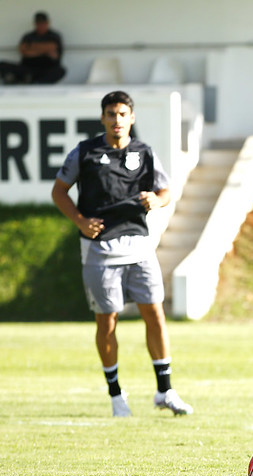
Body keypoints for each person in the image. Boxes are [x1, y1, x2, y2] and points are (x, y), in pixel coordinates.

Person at [52, 91, 193, 417]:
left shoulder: (144, 153)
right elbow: (59, 191)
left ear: (131, 118)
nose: (117, 120)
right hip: (100, 251)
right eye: (111, 114)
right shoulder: (85, 153)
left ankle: (165, 390)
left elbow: (166, 191)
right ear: (103, 118)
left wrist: (157, 201)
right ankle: (116, 396)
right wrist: (80, 221)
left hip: (140, 248)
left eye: (122, 114)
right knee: (107, 321)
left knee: (155, 315)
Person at [0, 11, 66, 85]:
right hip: (29, 68)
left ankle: (37, 83)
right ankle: (22, 80)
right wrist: (45, 51)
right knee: (1, 64)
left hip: (47, 69)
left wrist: (31, 47)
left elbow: (52, 47)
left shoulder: (54, 36)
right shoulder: (28, 36)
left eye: (43, 23)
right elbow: (23, 51)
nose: (41, 25)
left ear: (48, 23)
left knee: (60, 70)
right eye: (39, 23)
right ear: (35, 24)